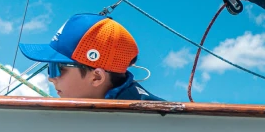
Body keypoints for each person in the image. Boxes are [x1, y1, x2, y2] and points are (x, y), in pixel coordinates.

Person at [19, 14, 163, 101]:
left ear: (97, 77)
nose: (51, 78)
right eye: (49, 67)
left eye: (57, 68)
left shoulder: (147, 122)